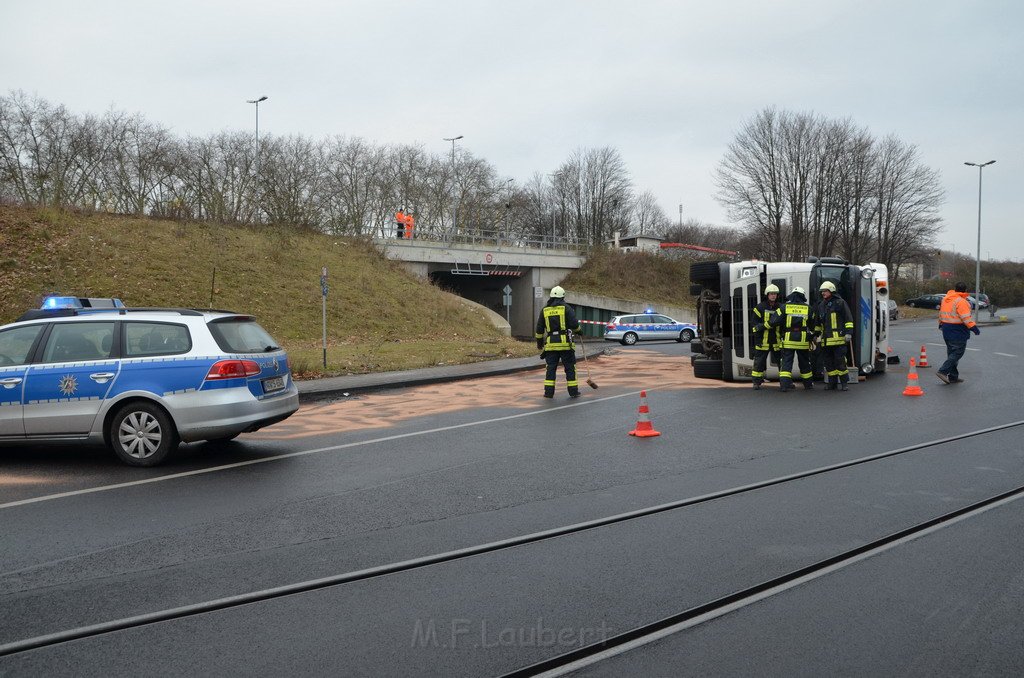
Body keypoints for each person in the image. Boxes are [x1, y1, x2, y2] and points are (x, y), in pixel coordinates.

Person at [535, 285, 581, 398]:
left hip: (551, 345)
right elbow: (574, 324)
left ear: (551, 296)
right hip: (565, 345)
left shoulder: (544, 310)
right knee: (570, 368)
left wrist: (539, 344)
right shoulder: (566, 308)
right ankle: (573, 392)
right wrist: (579, 331)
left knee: (550, 369)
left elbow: (539, 329)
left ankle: (548, 393)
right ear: (563, 297)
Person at [813, 281, 854, 391]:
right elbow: (818, 323)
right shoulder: (821, 305)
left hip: (839, 340)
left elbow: (848, 319)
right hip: (826, 341)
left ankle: (844, 383)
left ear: (831, 291)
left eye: (825, 291)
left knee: (840, 362)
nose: (823, 293)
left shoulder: (840, 303)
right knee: (829, 364)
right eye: (822, 292)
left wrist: (849, 333)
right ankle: (832, 383)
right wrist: (816, 335)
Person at [772, 286, 814, 391]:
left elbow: (774, 321)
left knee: (786, 363)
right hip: (803, 341)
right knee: (804, 363)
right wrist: (812, 336)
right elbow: (813, 325)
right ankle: (808, 385)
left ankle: (784, 386)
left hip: (788, 340)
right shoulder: (808, 308)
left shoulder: (784, 307)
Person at [937, 282, 980, 384]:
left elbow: (941, 313)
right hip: (958, 330)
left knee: (952, 353)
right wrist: (974, 328)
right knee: (957, 353)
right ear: (965, 290)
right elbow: (966, 318)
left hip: (946, 329)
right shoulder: (961, 301)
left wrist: (940, 324)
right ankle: (942, 371)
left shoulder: (946, 299)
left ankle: (953, 377)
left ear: (955, 289)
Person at [750, 284, 782, 390]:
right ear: (767, 295)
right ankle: (756, 382)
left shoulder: (780, 307)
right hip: (763, 341)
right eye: (771, 294)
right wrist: (758, 339)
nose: (773, 296)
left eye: (775, 294)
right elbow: (754, 326)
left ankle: (785, 381)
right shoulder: (760, 307)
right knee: (759, 362)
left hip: (776, 340)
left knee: (782, 362)